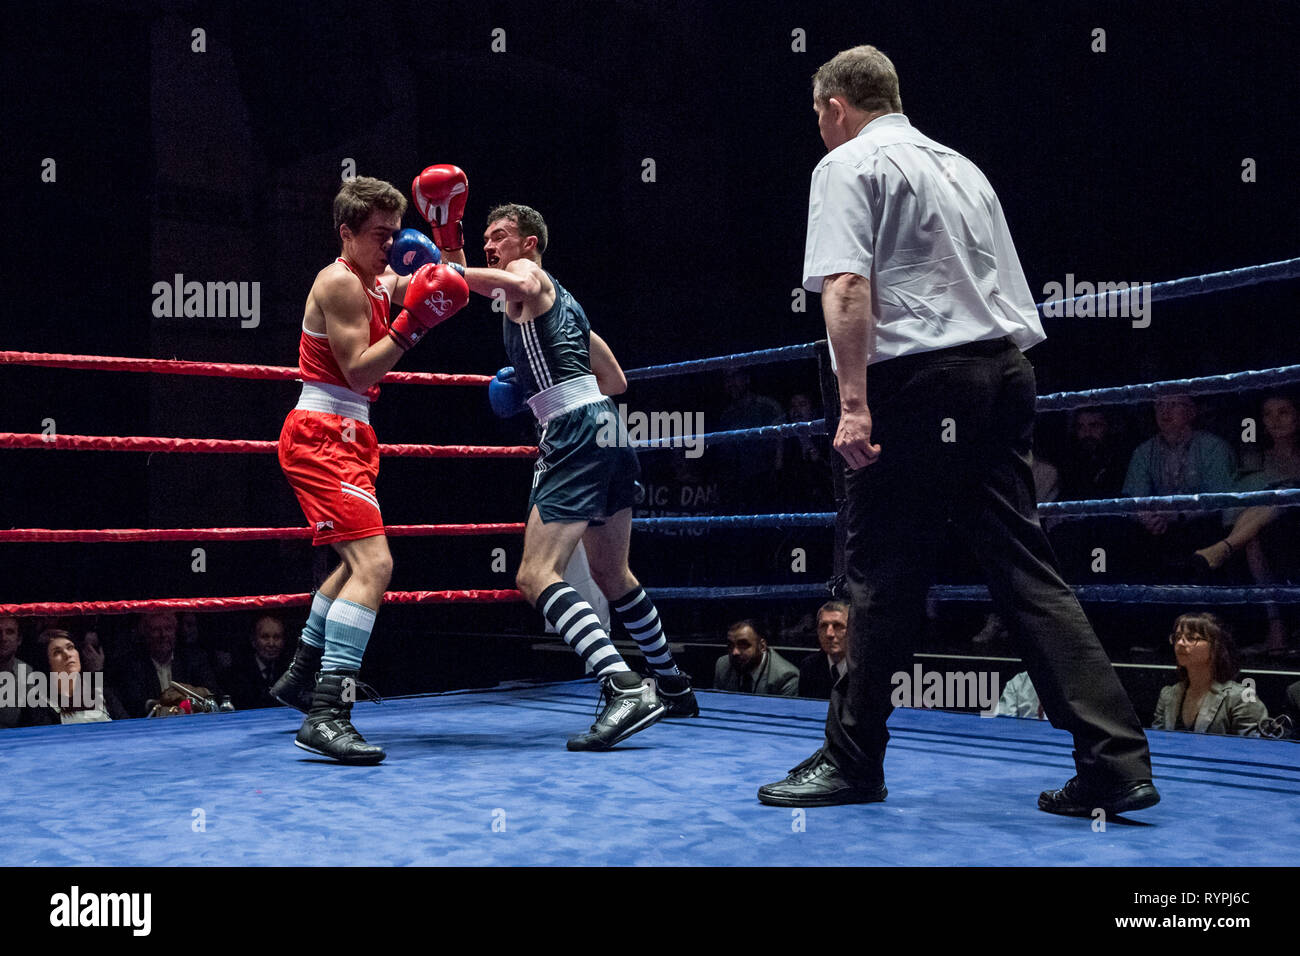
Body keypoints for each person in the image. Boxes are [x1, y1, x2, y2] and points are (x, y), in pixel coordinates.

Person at [758, 45, 1158, 816]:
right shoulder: (962, 167)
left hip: (919, 381)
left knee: (878, 575)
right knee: (1026, 572)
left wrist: (851, 403)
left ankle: (852, 761)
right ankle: (1115, 762)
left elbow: (845, 285)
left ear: (836, 106)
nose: (818, 129)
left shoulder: (847, 165)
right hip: (1001, 373)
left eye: (817, 115)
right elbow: (1008, 295)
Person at [423, 172, 698, 749]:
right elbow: (616, 380)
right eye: (487, 237)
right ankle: (672, 684)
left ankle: (624, 687)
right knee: (612, 574)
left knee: (533, 574)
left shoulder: (527, 276)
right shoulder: (567, 306)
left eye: (500, 235)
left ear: (530, 244)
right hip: (608, 429)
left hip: (572, 432)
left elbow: (475, 282)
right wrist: (447, 235)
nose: (492, 245)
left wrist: (412, 278)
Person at [270, 175, 469, 764]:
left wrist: (447, 228)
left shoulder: (381, 277)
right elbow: (359, 371)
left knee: (353, 563)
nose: (390, 245)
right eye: (379, 235)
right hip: (320, 433)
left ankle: (304, 674)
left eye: (394, 233)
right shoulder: (337, 281)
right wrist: (413, 325)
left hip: (354, 437)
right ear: (346, 233)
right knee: (376, 563)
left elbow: (453, 286)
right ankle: (329, 714)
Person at [1151, 613, 1267, 736]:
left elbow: (1254, 750)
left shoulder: (1240, 697)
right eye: (1177, 637)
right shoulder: (1168, 695)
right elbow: (1157, 743)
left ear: (1215, 647)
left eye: (1191, 638)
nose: (1180, 643)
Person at [714, 620, 799, 696]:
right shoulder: (722, 665)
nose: (734, 652)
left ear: (762, 646)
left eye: (743, 645)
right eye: (730, 645)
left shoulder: (786, 677)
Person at [798, 601, 849, 700]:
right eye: (823, 626)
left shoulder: (867, 669)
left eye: (838, 626)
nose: (829, 634)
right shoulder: (809, 667)